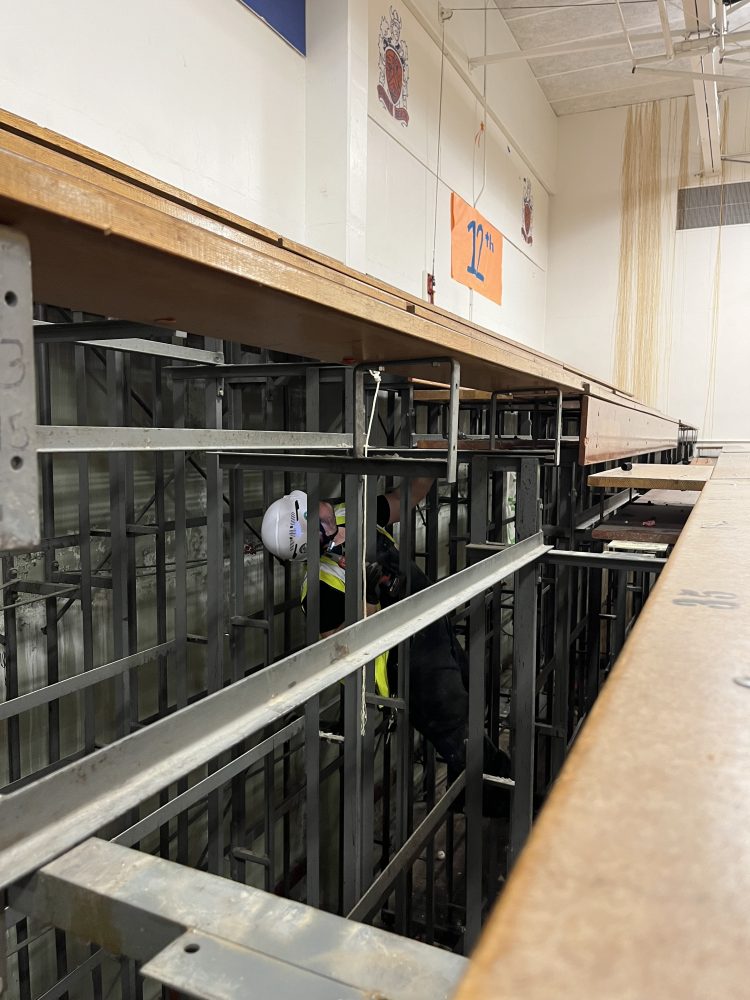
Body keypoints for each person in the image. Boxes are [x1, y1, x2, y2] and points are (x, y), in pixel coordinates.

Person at [261, 481, 510, 815]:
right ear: (311, 536)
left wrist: (429, 466)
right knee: (458, 732)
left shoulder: (349, 512)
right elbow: (341, 646)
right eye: (312, 512)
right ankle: (508, 801)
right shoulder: (319, 586)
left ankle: (465, 787)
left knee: (473, 693)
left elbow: (403, 498)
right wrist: (369, 596)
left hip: (432, 626)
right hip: (408, 664)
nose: (322, 506)